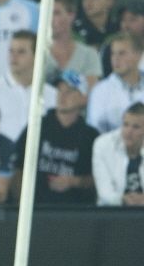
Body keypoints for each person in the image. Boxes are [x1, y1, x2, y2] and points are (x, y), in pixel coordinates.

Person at [14, 70, 99, 205]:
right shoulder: (38, 126)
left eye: (69, 91)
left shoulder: (90, 136)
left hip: (75, 210)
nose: (62, 96)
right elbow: (17, 165)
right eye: (59, 90)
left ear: (83, 98)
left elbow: (98, 178)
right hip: (36, 207)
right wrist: (21, 201)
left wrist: (74, 181)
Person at [0, 30, 57, 142]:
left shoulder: (52, 95)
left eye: (21, 52)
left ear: (37, 55)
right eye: (11, 51)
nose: (14, 56)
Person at [88, 34, 144, 134]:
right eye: (113, 54)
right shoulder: (100, 91)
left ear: (138, 55)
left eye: (122, 53)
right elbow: (94, 130)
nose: (115, 59)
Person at [92, 102, 144, 207]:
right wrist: (123, 199)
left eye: (136, 127)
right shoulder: (103, 145)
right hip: (112, 211)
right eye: (125, 124)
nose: (128, 131)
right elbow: (104, 193)